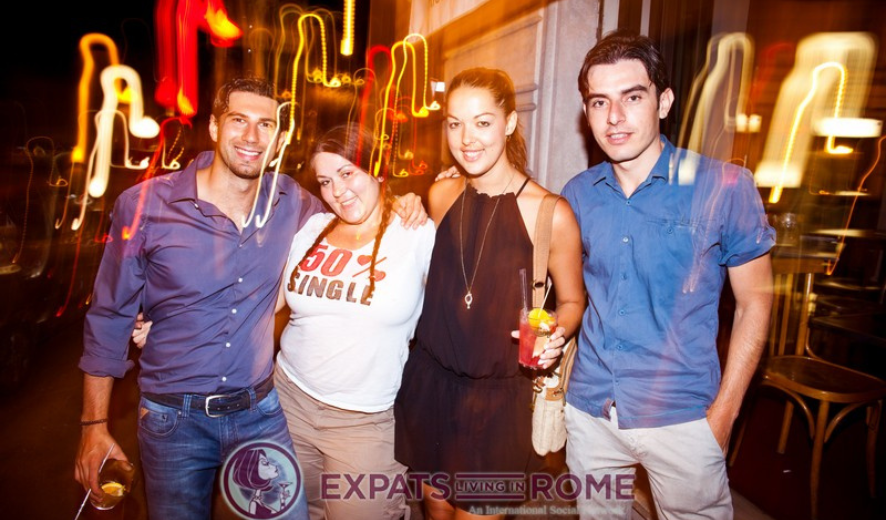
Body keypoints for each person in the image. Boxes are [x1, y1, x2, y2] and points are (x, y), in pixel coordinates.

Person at [75, 77, 426, 520]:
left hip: (261, 412)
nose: (252, 136)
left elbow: (356, 205)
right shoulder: (144, 207)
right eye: (239, 120)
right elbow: (109, 317)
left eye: (266, 125)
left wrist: (405, 198)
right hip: (172, 420)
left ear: (278, 138)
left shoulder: (294, 203)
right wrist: (93, 425)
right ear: (214, 126)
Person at [560, 30, 775, 519]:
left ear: (664, 101)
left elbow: (755, 302)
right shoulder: (577, 194)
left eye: (632, 97)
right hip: (591, 408)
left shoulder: (725, 186)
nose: (614, 117)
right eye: (599, 102)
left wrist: (724, 415)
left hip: (683, 415)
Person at [393, 67, 585, 520]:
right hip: (432, 386)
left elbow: (573, 301)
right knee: (435, 514)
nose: (467, 139)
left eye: (482, 122)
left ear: (510, 123)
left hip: (500, 406)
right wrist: (402, 202)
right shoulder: (440, 195)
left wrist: (555, 331)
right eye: (455, 123)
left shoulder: (550, 213)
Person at [273, 124, 435, 519]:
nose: (337, 191)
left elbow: (456, 309)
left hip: (366, 421)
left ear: (376, 168)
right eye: (325, 181)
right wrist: (175, 322)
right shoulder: (313, 228)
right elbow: (265, 304)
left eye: (347, 173)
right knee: (296, 511)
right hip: (288, 401)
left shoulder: (417, 233)